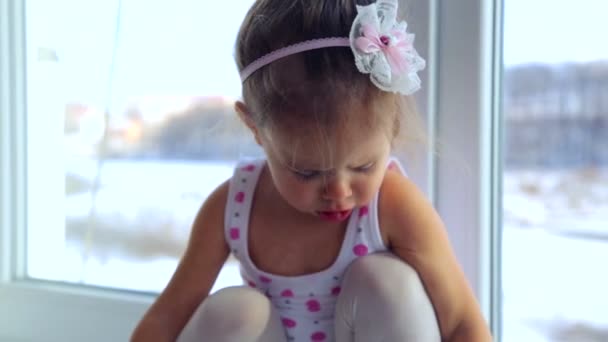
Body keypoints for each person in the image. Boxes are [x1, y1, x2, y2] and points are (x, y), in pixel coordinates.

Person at [132, 0, 493, 341]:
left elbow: (461, 321)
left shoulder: (393, 205)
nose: (338, 191)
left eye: (363, 166)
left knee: (386, 281)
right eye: (306, 172)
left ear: (392, 126)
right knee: (236, 310)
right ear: (256, 129)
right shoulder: (234, 206)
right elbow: (166, 319)